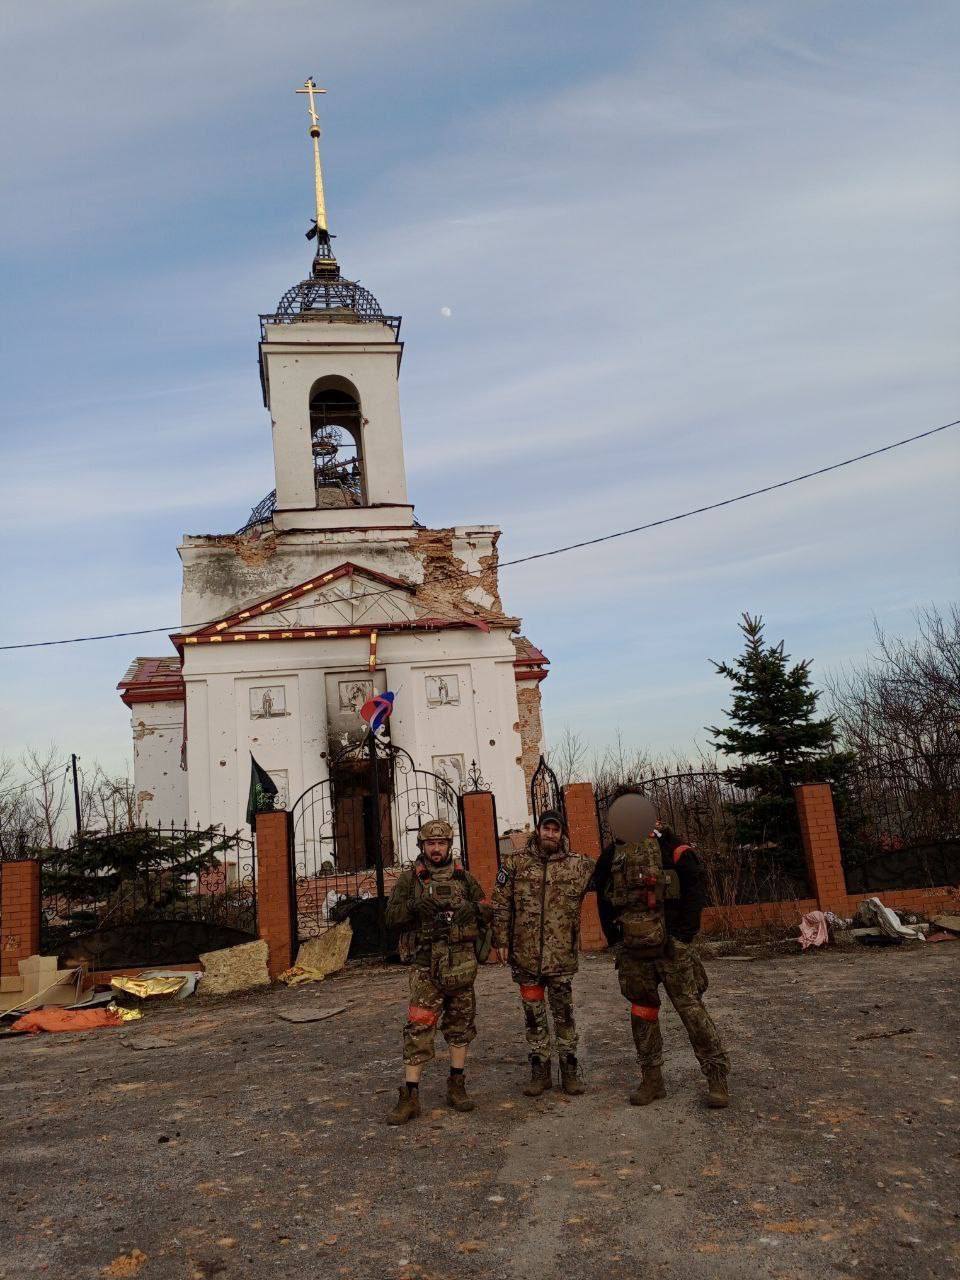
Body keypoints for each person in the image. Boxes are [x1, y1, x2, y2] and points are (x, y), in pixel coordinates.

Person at [595, 815, 730, 1109]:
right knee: (643, 1014)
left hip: (673, 950)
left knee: (692, 1011)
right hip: (633, 953)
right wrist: (616, 942)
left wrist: (682, 936)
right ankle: (652, 1080)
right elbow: (603, 901)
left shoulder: (672, 847)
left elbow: (696, 889)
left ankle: (717, 1077)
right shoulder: (611, 855)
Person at [383, 818, 490, 1125]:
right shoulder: (410, 880)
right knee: (418, 1027)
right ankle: (411, 1095)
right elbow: (391, 917)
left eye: (441, 843)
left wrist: (475, 909)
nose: (436, 849)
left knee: (460, 1026)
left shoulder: (464, 878)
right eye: (431, 844)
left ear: (449, 845)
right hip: (425, 966)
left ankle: (457, 1084)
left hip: (460, 965)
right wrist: (415, 907)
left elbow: (488, 908)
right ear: (422, 847)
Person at [491, 809, 595, 1097]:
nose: (550, 834)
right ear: (537, 829)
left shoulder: (579, 866)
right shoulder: (515, 864)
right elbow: (501, 904)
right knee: (534, 1016)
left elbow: (614, 872)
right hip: (525, 956)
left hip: (560, 956)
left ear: (563, 833)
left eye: (555, 830)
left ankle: (570, 1070)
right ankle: (540, 1071)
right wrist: (500, 940)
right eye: (546, 828)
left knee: (564, 1014)